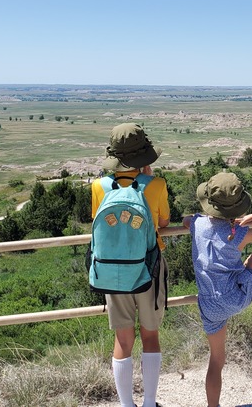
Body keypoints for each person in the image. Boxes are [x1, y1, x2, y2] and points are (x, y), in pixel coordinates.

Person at [182, 171, 252, 407]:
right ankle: (245, 272)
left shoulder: (197, 224)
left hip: (209, 303)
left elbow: (186, 220)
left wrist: (198, 218)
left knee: (217, 359)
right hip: (236, 297)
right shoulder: (239, 233)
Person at [91, 123, 170, 407]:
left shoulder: (99, 186)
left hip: (112, 270)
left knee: (123, 339)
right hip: (149, 267)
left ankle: (126, 404)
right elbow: (163, 223)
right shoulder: (157, 185)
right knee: (150, 335)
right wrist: (148, 179)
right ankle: (149, 403)